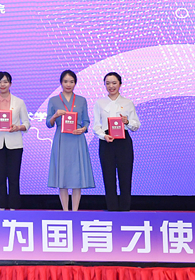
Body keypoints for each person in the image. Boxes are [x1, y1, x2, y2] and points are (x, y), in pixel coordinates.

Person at [46, 69, 95, 211]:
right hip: (61, 140)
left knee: (76, 177)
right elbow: (48, 124)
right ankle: (65, 211)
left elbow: (86, 121)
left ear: (75, 83)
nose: (68, 84)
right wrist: (55, 116)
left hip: (77, 139)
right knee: (63, 176)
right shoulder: (54, 100)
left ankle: (75, 211)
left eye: (71, 81)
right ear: (61, 83)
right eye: (65, 81)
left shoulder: (81, 100)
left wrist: (83, 129)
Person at [0, 71, 30, 210]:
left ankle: (14, 207)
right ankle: (1, 207)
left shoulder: (19, 102)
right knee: (0, 177)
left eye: (5, 82)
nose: (2, 85)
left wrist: (18, 127)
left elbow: (27, 123)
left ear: (10, 84)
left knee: (14, 178)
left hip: (15, 144)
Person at [93, 72, 140, 211]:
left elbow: (136, 125)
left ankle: (125, 208)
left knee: (125, 176)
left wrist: (127, 121)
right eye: (107, 83)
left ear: (120, 84)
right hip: (106, 141)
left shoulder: (128, 103)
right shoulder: (100, 103)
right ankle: (112, 209)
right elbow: (96, 125)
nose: (111, 86)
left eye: (114, 83)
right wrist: (104, 136)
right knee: (108, 176)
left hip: (123, 142)